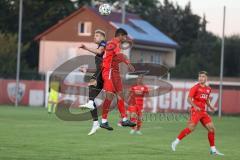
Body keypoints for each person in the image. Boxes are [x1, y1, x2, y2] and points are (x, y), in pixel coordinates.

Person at [171, 71, 224, 156]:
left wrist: (210, 106)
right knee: (191, 128)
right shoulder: (195, 87)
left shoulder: (208, 89)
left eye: (203, 76)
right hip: (195, 111)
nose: (201, 78)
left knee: (212, 129)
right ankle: (175, 142)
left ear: (206, 78)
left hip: (203, 112)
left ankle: (213, 150)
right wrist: (195, 106)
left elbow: (206, 99)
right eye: (199, 76)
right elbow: (189, 99)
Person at [100, 28, 136, 130]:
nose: (125, 39)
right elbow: (118, 56)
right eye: (124, 36)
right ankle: (103, 121)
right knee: (109, 96)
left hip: (115, 72)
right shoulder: (112, 43)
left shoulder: (116, 44)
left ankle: (124, 120)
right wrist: (127, 62)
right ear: (120, 35)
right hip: (109, 71)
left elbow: (117, 56)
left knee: (120, 95)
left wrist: (126, 61)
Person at [78, 29, 106, 135]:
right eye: (94, 35)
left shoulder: (104, 43)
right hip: (101, 73)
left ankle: (90, 103)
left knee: (91, 85)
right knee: (91, 94)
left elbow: (99, 52)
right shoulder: (101, 47)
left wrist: (85, 48)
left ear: (103, 37)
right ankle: (95, 123)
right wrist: (87, 70)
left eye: (97, 35)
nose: (95, 37)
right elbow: (99, 68)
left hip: (106, 74)